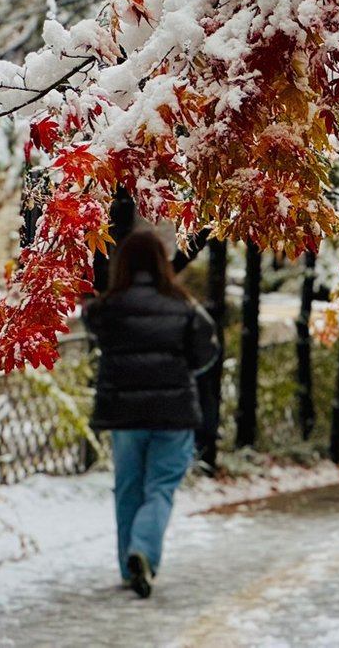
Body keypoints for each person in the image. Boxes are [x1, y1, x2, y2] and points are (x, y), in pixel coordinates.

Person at [84, 229, 218, 599]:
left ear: (122, 264)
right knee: (160, 488)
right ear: (163, 264)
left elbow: (92, 323)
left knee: (128, 487)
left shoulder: (108, 307)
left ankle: (129, 565)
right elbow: (206, 353)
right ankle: (142, 548)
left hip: (125, 414)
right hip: (173, 412)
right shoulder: (184, 306)